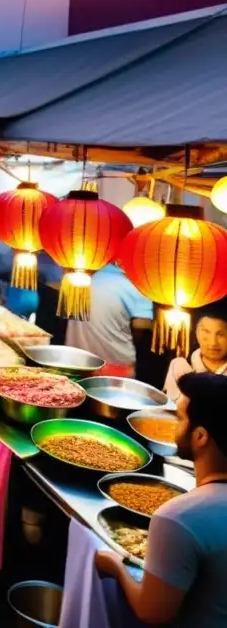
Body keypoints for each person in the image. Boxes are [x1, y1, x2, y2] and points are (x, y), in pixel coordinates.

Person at [95, 372, 227, 627]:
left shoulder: (179, 517)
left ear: (200, 436)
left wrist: (114, 565)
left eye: (179, 419)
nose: (173, 427)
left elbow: (152, 612)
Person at [65, 263, 152, 378]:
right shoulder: (137, 286)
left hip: (72, 363)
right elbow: (141, 329)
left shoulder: (87, 273)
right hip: (113, 371)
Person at [164, 311, 227, 400]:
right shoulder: (180, 366)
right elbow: (170, 407)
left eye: (221, 335)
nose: (213, 343)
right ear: (196, 333)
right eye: (206, 332)